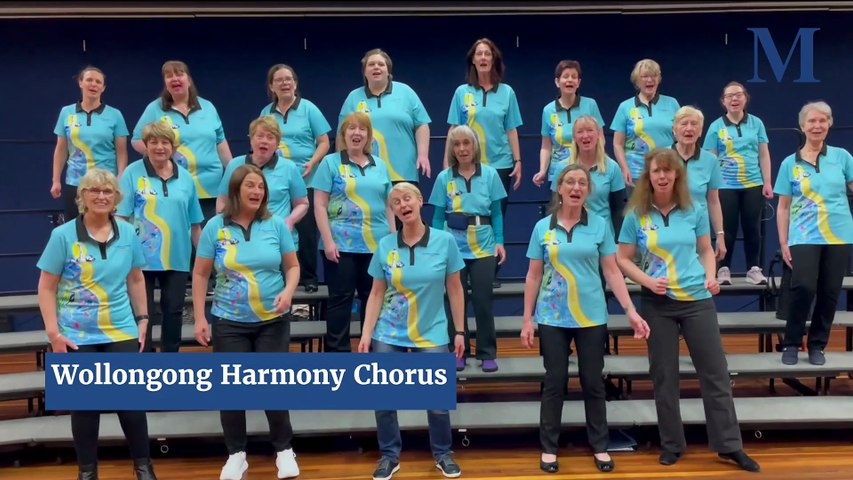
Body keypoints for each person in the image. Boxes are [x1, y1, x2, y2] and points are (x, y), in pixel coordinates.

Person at [616, 148, 760, 472]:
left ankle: (729, 445)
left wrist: (711, 277)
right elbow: (622, 259)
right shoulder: (635, 215)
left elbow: (706, 250)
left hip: (697, 299)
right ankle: (671, 444)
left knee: (716, 373)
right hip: (658, 303)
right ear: (648, 176)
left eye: (669, 171)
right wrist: (647, 281)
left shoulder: (693, 208)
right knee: (664, 376)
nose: (663, 176)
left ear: (678, 175)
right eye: (657, 171)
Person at [521, 163, 647, 474]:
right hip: (552, 316)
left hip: (591, 316)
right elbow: (533, 276)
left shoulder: (600, 225)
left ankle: (600, 446)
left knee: (593, 383)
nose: (576, 187)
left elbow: (612, 270)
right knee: (555, 382)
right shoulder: (542, 228)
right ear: (560, 189)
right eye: (570, 182)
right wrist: (527, 319)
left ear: (588, 191)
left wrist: (630, 309)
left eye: (582, 183)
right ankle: (549, 448)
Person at [37, 168, 155, 480]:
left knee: (131, 404)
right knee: (85, 407)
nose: (101, 196)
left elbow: (135, 277)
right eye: (94, 191)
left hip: (120, 327)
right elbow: (46, 287)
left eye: (108, 192)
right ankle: (87, 472)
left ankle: (144, 468)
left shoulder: (128, 232)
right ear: (83, 197)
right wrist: (53, 332)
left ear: (116, 198)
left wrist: (143, 319)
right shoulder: (62, 236)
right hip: (77, 333)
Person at [192, 164, 300, 480]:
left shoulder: (276, 225)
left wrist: (288, 290)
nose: (256, 191)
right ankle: (236, 454)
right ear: (237, 189)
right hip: (228, 320)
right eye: (250, 185)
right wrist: (200, 317)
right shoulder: (215, 227)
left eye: (260, 187)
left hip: (272, 320)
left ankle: (283, 450)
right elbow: (200, 274)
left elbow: (292, 267)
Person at [358, 182, 466, 480]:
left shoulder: (445, 242)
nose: (403, 205)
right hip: (389, 331)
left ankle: (443, 453)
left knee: (437, 401)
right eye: (396, 202)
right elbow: (377, 293)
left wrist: (460, 331)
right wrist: (367, 333)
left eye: (407, 198)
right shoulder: (385, 245)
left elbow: (455, 290)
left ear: (420, 201)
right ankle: (389, 455)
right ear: (392, 210)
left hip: (431, 331)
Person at [774, 101, 853, 366]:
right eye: (812, 121)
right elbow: (783, 207)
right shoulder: (789, 163)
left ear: (829, 124)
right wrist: (783, 241)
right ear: (802, 126)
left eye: (822, 121)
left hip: (839, 236)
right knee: (803, 287)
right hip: (804, 235)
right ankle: (792, 343)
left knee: (830, 292)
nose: (817, 126)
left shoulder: (842, 157)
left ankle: (818, 344)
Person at [117, 121, 203, 353]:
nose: (159, 147)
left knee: (174, 311)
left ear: (173, 147)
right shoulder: (131, 174)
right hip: (140, 259)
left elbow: (195, 224)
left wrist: (207, 258)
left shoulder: (186, 178)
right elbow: (121, 218)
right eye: (153, 142)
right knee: (143, 314)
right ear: (145, 145)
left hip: (177, 257)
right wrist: (121, 254)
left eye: (165, 142)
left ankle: (170, 362)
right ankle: (144, 364)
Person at [312, 112, 393, 352]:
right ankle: (338, 355)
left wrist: (392, 238)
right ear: (343, 134)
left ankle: (374, 351)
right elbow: (319, 205)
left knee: (374, 298)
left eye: (362, 129)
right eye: (351, 129)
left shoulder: (381, 165)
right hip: (340, 245)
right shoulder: (330, 162)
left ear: (368, 135)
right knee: (341, 300)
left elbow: (389, 205)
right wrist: (327, 242)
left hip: (376, 245)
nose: (357, 133)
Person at [428, 125, 506, 372]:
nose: (462, 149)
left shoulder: (491, 175)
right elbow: (438, 217)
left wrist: (500, 241)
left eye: (466, 143)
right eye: (457, 144)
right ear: (452, 149)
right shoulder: (444, 178)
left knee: (483, 301)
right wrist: (438, 246)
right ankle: (458, 350)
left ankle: (487, 353)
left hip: (483, 247)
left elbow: (496, 212)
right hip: (453, 249)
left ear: (474, 146)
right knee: (455, 303)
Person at [446, 38, 522, 287]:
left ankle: (490, 273)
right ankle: (464, 270)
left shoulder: (507, 92)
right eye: (478, 54)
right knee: (466, 217)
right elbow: (454, 129)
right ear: (473, 60)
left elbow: (511, 129)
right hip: (467, 165)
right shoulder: (461, 92)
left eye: (487, 53)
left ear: (494, 59)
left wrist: (518, 160)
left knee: (495, 217)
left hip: (499, 164)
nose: (483, 58)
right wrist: (447, 163)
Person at [131, 60, 232, 222]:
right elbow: (137, 141)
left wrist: (233, 171)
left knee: (208, 241)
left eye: (179, 74)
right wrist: (161, 155)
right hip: (175, 187)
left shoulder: (208, 107)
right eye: (169, 76)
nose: (174, 79)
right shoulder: (155, 109)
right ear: (165, 83)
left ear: (189, 80)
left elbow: (220, 142)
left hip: (211, 190)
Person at [262, 64, 331, 292]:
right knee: (277, 231)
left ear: (295, 83)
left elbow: (324, 141)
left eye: (289, 79)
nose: (285, 83)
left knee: (307, 233)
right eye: (279, 80)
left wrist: (313, 162)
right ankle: (280, 277)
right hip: (276, 183)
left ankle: (309, 277)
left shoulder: (309, 109)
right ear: (272, 86)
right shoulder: (266, 113)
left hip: (307, 180)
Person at [703, 82, 772, 285]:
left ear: (745, 98)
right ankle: (723, 269)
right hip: (725, 185)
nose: (734, 99)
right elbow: (710, 159)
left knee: (752, 228)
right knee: (727, 229)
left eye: (738, 95)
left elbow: (763, 154)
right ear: (723, 101)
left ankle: (754, 269)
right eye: (729, 96)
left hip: (753, 183)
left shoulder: (756, 123)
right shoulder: (716, 126)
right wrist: (711, 185)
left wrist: (767, 182)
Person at [339, 48, 432, 186]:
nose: (376, 67)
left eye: (381, 64)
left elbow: (422, 124)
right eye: (371, 64)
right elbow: (342, 135)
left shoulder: (406, 92)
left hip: (403, 172)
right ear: (364, 72)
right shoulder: (353, 97)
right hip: (365, 174)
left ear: (388, 71)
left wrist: (423, 155)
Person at [51, 66, 129, 221]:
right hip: (75, 182)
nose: (93, 84)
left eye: (98, 82)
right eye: (89, 80)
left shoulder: (115, 115)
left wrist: (120, 178)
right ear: (81, 83)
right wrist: (56, 180)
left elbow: (122, 152)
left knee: (105, 229)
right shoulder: (66, 112)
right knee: (77, 229)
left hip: (105, 183)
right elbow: (61, 149)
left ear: (103, 87)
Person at [216, 116, 308, 246]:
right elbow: (222, 200)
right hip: (240, 239)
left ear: (277, 144)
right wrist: (223, 225)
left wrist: (290, 221)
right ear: (251, 140)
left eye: (270, 138)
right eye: (260, 136)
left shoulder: (289, 168)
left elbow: (302, 204)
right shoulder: (234, 165)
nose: (264, 141)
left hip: (278, 239)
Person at [533, 60, 606, 189]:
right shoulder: (548, 110)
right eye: (565, 76)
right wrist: (542, 170)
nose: (570, 80)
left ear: (578, 82)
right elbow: (546, 146)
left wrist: (597, 162)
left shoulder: (590, 105)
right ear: (557, 82)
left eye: (574, 77)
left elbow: (601, 139)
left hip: (587, 171)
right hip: (558, 174)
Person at [550, 116, 625, 235]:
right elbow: (554, 206)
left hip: (602, 235)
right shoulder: (561, 168)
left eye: (590, 130)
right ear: (574, 137)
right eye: (580, 132)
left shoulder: (613, 167)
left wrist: (618, 243)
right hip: (570, 235)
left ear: (599, 134)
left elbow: (618, 210)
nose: (585, 136)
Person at [610, 59, 680, 188]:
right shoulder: (625, 107)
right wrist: (624, 168)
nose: (649, 80)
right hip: (636, 174)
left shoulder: (672, 104)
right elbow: (617, 144)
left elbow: (680, 140)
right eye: (645, 76)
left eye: (653, 76)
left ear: (659, 79)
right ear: (637, 80)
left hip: (666, 172)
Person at [671, 106, 725, 261]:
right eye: (684, 124)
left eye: (694, 124)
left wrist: (720, 235)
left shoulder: (711, 160)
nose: (689, 128)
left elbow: (713, 201)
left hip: (699, 231)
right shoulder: (662, 157)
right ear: (674, 129)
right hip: (668, 230)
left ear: (701, 131)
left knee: (702, 279)